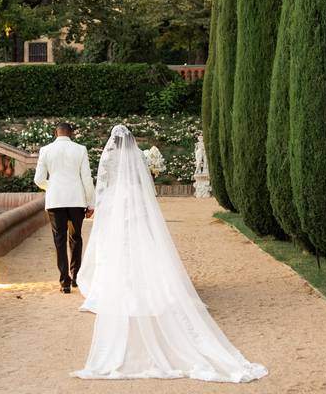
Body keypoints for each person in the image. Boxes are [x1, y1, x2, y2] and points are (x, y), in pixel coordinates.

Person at [73, 125, 267, 382]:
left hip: (116, 206)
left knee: (119, 254)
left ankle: (125, 293)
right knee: (141, 253)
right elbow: (144, 186)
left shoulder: (108, 157)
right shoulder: (138, 156)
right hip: (135, 206)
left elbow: (103, 186)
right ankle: (146, 292)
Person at [33, 122, 94, 294]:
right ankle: (76, 278)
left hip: (55, 201)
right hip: (76, 200)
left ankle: (64, 282)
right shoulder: (80, 149)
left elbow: (38, 179)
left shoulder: (46, 150)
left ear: (56, 133)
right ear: (71, 134)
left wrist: (52, 186)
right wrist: (91, 203)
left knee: (59, 240)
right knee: (76, 238)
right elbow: (87, 178)